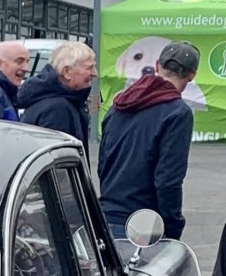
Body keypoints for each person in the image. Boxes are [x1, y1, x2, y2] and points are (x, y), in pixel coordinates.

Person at [98, 41, 199, 240]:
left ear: (157, 65)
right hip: (143, 224)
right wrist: (172, 227)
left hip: (106, 217)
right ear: (192, 75)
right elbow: (168, 180)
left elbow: (103, 163)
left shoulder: (119, 104)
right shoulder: (177, 113)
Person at [18, 41, 96, 149]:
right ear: (67, 72)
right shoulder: (58, 109)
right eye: (89, 68)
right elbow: (58, 160)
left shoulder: (56, 101)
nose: (95, 73)